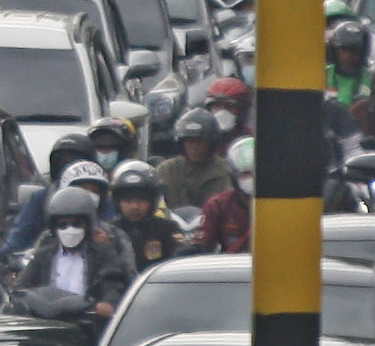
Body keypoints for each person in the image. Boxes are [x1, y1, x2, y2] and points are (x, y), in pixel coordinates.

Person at [16, 187, 131, 330]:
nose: (69, 230)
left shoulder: (103, 253)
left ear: (88, 225)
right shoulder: (44, 255)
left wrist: (106, 304)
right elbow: (21, 289)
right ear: (54, 227)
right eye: (63, 225)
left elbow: (112, 283)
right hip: (47, 327)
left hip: (87, 328)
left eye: (76, 224)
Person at [107, 160, 184, 270]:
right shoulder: (109, 232)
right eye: (128, 200)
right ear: (117, 202)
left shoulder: (168, 229)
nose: (135, 206)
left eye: (142, 200)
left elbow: (179, 257)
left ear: (153, 202)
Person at [157, 109, 234, 210]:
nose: (194, 146)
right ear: (182, 143)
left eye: (200, 141)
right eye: (190, 141)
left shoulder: (225, 172)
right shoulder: (167, 170)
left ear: (210, 143)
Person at [192, 136, 254, 254]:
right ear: (234, 176)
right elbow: (202, 244)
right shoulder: (218, 205)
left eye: (255, 173)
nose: (252, 179)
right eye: (246, 174)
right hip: (231, 268)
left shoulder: (281, 206)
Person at [327, 18, 371, 105]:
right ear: (334, 50)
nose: (348, 55)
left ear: (363, 51)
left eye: (354, 50)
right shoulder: (322, 74)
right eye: (343, 49)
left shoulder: (372, 77)